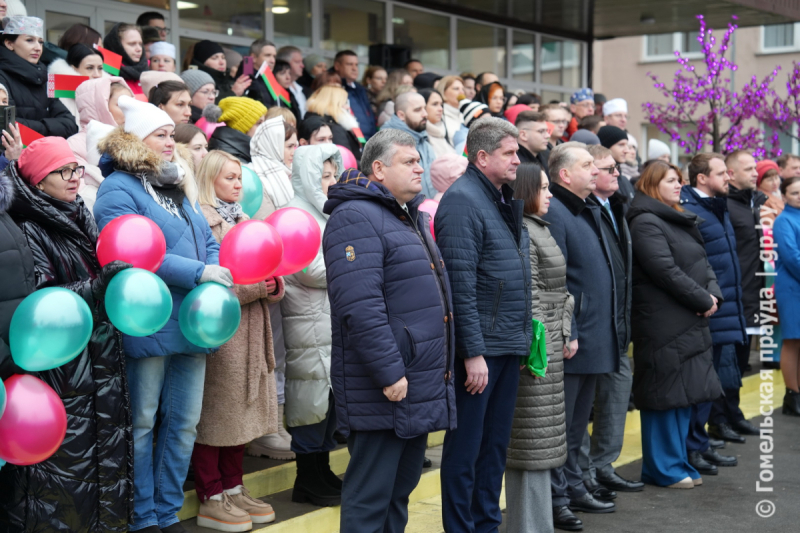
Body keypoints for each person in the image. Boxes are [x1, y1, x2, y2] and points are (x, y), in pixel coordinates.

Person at [93, 96, 231, 533]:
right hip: (149, 319)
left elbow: (204, 236)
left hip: (191, 321)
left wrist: (210, 265)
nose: (171, 142)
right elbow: (132, 254)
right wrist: (198, 272)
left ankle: (167, 511)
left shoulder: (173, 181)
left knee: (185, 423)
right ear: (137, 140)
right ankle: (141, 514)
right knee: (142, 422)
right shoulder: (117, 188)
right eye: (161, 135)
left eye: (173, 134)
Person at [323, 128, 456, 532]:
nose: (420, 168)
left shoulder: (403, 213)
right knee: (370, 498)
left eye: (419, 160)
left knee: (398, 492)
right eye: (409, 161)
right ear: (378, 169)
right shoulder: (355, 217)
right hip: (387, 384)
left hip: (415, 379)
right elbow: (359, 307)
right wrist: (389, 372)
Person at [1, 137, 133, 531]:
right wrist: (97, 288)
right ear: (40, 182)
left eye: (76, 168)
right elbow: (41, 302)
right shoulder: (30, 226)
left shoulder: (79, 213)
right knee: (64, 478)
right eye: (64, 171)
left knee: (100, 466)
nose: (75, 177)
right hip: (64, 367)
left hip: (97, 356)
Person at [436, 118, 531, 532]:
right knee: (466, 452)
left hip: (506, 342)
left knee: (493, 450)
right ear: (482, 156)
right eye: (510, 153)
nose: (518, 160)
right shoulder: (462, 201)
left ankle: (486, 525)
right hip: (482, 351)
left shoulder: (500, 197)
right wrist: (472, 353)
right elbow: (460, 284)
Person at [191, 150, 282, 531]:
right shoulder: (203, 220)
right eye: (229, 178)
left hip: (253, 330)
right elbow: (213, 281)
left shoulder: (246, 218)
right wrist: (256, 289)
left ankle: (234, 484)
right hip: (223, 333)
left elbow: (271, 266)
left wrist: (275, 285)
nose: (237, 184)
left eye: (239, 178)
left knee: (241, 414)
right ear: (209, 179)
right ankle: (210, 494)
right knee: (217, 415)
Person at [626, 160, 723, 489]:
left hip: (687, 317)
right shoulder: (646, 221)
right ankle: (661, 468)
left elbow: (702, 263)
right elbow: (664, 271)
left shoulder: (674, 217)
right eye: (670, 180)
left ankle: (677, 462)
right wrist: (702, 300)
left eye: (679, 179)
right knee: (664, 396)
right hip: (663, 321)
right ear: (652, 184)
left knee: (684, 395)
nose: (678, 184)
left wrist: (713, 295)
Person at [541, 142, 619, 525]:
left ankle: (574, 487)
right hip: (573, 337)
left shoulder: (585, 208)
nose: (596, 170)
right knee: (562, 425)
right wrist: (567, 330)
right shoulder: (556, 211)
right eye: (587, 164)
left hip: (592, 333)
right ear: (565, 174)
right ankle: (559, 498)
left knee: (576, 425)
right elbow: (556, 278)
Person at [505, 161, 572, 533]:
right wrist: (537, 349)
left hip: (547, 344)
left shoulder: (537, 228)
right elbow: (529, 295)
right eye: (544, 188)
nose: (549, 195)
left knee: (541, 443)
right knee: (531, 445)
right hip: (539, 351)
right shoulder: (526, 232)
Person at [280, 144, 344, 507]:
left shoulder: (325, 211)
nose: (331, 181)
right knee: (309, 395)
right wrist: (353, 265)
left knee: (328, 396)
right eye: (324, 175)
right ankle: (306, 477)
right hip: (307, 318)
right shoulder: (293, 214)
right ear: (307, 176)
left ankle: (322, 469)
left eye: (334, 174)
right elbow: (309, 270)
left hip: (328, 317)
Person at [578, 145, 640, 500]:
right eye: (607, 168)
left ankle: (604, 466)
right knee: (583, 409)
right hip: (591, 326)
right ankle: (584, 473)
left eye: (616, 169)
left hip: (618, 324)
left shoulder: (617, 207)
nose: (616, 174)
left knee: (616, 399)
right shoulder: (583, 210)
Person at [680, 153, 747, 471]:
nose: (728, 176)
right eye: (721, 172)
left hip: (726, 306)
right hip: (708, 310)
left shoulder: (717, 206)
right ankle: (692, 448)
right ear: (702, 178)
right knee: (701, 384)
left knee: (712, 382)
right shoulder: (692, 210)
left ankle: (700, 443)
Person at [723, 150, 766, 436]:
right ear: (731, 174)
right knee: (727, 363)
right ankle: (721, 419)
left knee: (740, 361)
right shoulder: (725, 206)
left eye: (755, 168)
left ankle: (733, 414)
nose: (755, 173)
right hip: (731, 296)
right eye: (749, 168)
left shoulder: (756, 203)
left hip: (752, 293)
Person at [0, 16, 78, 139]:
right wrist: (50, 127)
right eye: (30, 40)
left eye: (40, 42)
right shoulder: (2, 78)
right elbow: (6, 126)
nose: (37, 47)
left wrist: (37, 130)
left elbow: (70, 124)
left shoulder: (43, 78)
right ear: (9, 44)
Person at [67, 77, 131, 210]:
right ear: (100, 106)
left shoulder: (141, 141)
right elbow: (80, 192)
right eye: (121, 105)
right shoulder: (74, 144)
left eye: (131, 103)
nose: (129, 110)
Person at [774, 176, 800, 415]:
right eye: (794, 193)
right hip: (792, 287)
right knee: (792, 340)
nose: (799, 196)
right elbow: (792, 258)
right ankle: (792, 396)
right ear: (784, 196)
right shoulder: (783, 221)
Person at [383, 92, 436, 199]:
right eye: (417, 110)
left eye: (424, 108)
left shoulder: (423, 139)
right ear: (401, 115)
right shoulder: (386, 143)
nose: (425, 114)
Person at [46, 44, 104, 127]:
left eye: (100, 68)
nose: (97, 74)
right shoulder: (59, 97)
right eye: (90, 68)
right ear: (73, 69)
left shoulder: (109, 92)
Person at [250, 117, 298, 212]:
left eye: (295, 146)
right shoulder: (254, 176)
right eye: (289, 147)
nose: (294, 152)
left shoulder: (291, 170)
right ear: (273, 147)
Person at [305, 85, 362, 161]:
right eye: (344, 102)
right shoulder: (332, 127)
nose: (348, 107)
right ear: (334, 104)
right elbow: (346, 160)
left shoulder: (318, 121)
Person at [207, 96, 267, 164]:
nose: (264, 127)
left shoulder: (240, 149)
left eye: (264, 122)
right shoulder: (231, 157)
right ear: (242, 127)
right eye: (259, 123)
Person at [333, 50, 376, 139]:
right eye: (349, 64)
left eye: (356, 65)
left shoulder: (360, 89)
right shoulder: (333, 88)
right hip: (349, 141)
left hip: (367, 141)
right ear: (337, 66)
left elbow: (369, 116)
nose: (354, 68)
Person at [103, 23, 147, 96]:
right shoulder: (104, 74)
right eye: (132, 44)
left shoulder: (149, 70)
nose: (139, 49)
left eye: (140, 44)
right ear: (117, 46)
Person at [597, 125, 636, 205]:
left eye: (627, 145)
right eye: (621, 145)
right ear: (606, 146)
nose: (627, 150)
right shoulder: (600, 183)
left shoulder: (624, 180)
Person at [420, 88, 455, 159]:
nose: (440, 109)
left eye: (441, 105)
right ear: (422, 107)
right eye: (435, 104)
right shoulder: (421, 136)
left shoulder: (443, 131)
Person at [515, 111, 551, 175]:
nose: (548, 136)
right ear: (523, 135)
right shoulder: (515, 163)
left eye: (547, 131)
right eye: (541, 131)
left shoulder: (546, 155)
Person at [277, 46, 308, 118]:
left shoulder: (305, 90)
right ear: (285, 64)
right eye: (297, 62)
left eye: (302, 62)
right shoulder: (276, 91)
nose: (302, 66)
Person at [437, 75, 467, 149]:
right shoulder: (439, 115)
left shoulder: (464, 115)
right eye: (456, 89)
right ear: (443, 92)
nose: (461, 92)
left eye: (462, 89)